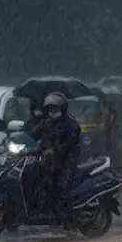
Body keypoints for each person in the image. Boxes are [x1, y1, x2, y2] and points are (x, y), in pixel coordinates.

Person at [32, 93, 81, 227]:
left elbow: (69, 144)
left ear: (63, 109)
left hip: (66, 160)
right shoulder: (47, 122)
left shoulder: (71, 125)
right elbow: (33, 134)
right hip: (48, 159)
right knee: (37, 178)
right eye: (50, 109)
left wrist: (55, 151)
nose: (53, 112)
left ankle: (68, 218)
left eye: (56, 109)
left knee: (61, 186)